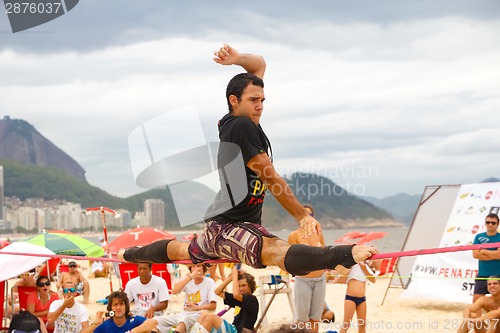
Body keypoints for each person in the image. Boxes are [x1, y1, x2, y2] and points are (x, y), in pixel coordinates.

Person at [119, 43, 378, 279]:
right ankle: (342, 256)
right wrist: (302, 216)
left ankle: (127, 254)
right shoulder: (241, 126)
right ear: (234, 101)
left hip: (222, 225)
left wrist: (237, 59)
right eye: (254, 100)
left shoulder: (237, 120)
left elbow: (259, 65)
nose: (260, 106)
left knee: (179, 249)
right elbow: (270, 177)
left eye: (262, 100)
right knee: (276, 250)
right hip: (230, 227)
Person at [138, 263, 217, 333]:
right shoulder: (188, 280)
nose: (196, 268)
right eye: (193, 266)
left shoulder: (209, 282)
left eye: (198, 266)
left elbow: (213, 306)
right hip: (184, 314)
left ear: (203, 268)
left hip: (199, 315)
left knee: (184, 321)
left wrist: (197, 307)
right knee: (156, 320)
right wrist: (190, 277)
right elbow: (174, 291)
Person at [288, 204, 326, 332]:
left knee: (316, 318)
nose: (308, 218)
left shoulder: (319, 234)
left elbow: (325, 253)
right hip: (303, 280)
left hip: (320, 279)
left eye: (310, 215)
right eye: (305, 214)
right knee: (301, 319)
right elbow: (289, 259)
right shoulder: (294, 235)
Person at [190, 267, 259, 333]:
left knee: (211, 317)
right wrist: (230, 278)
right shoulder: (240, 300)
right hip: (234, 329)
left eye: (244, 285)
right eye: (239, 286)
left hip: (239, 331)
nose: (241, 288)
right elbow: (217, 292)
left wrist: (235, 277)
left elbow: (236, 295)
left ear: (250, 286)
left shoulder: (252, 299)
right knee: (204, 314)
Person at [80, 291, 148, 333]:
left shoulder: (134, 320)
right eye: (115, 305)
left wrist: (133, 331)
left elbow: (153, 323)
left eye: (121, 304)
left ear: (126, 306)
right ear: (110, 308)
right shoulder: (105, 324)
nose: (118, 307)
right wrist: (95, 324)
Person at [473, 213, 500, 309]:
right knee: (476, 301)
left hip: (498, 274)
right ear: (485, 223)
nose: (490, 225)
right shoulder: (478, 237)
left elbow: (499, 255)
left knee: (498, 304)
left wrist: (483, 251)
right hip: (483, 274)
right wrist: (494, 254)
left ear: (497, 224)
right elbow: (475, 254)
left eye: (493, 223)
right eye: (488, 222)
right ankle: (476, 323)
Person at [339, 262, 375, 333]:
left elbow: (373, 280)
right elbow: (340, 280)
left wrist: (364, 269)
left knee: (362, 324)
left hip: (362, 299)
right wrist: (349, 268)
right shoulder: (349, 266)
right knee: (346, 324)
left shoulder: (364, 266)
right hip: (350, 298)